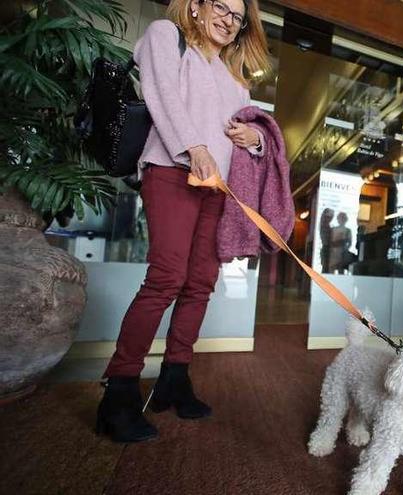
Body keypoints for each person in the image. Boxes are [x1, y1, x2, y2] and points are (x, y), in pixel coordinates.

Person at [96, 0, 271, 443]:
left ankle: (175, 377)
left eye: (238, 17)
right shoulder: (163, 36)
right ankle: (118, 393)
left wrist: (254, 140)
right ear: (195, 6)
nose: (229, 21)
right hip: (172, 173)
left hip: (217, 188)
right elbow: (161, 96)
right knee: (167, 277)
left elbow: (246, 132)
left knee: (200, 282)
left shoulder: (235, 78)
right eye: (221, 8)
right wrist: (194, 147)